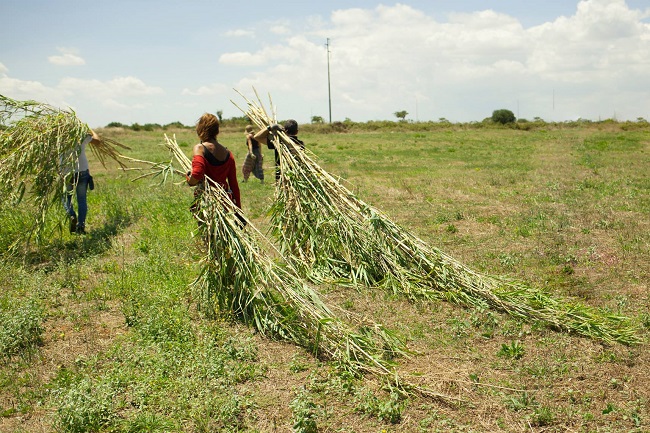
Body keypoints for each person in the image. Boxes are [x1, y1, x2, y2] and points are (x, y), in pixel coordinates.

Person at [186, 113, 241, 214]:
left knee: (208, 230)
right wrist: (238, 210)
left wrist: (190, 180)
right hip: (224, 202)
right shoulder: (228, 154)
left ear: (200, 129)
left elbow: (197, 173)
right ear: (217, 131)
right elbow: (234, 185)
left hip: (207, 203)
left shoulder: (200, 148)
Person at [62, 130, 100, 234]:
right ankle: (80, 227)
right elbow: (97, 141)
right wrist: (91, 130)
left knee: (66, 198)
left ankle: (71, 215)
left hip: (66, 173)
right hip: (82, 171)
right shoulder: (80, 136)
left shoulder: (58, 139)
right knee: (82, 200)